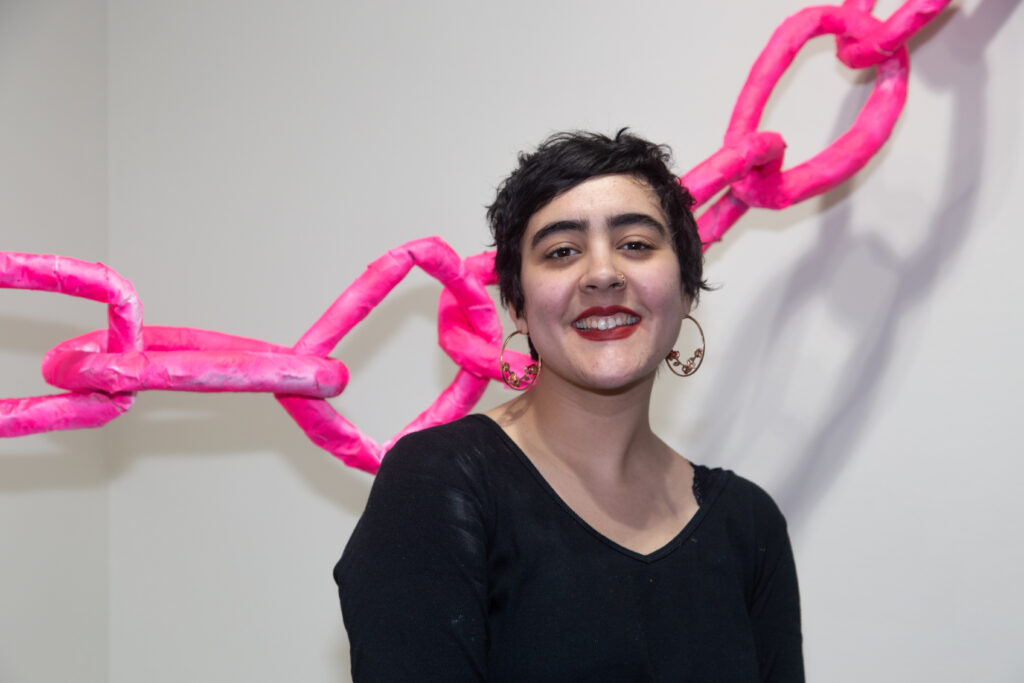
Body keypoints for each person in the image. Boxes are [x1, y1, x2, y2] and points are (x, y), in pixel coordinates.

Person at [334, 129, 804, 682]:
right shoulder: (442, 483)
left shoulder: (749, 526)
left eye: (635, 244)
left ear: (686, 290)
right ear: (517, 305)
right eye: (561, 252)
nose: (602, 274)